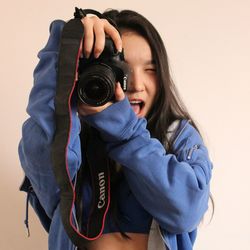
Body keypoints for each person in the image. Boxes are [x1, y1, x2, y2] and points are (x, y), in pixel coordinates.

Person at [18, 8, 213, 250]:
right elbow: (44, 159)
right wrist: (64, 48)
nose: (136, 84)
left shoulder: (177, 135)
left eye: (150, 69)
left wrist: (124, 132)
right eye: (123, 69)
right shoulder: (74, 134)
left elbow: (186, 210)